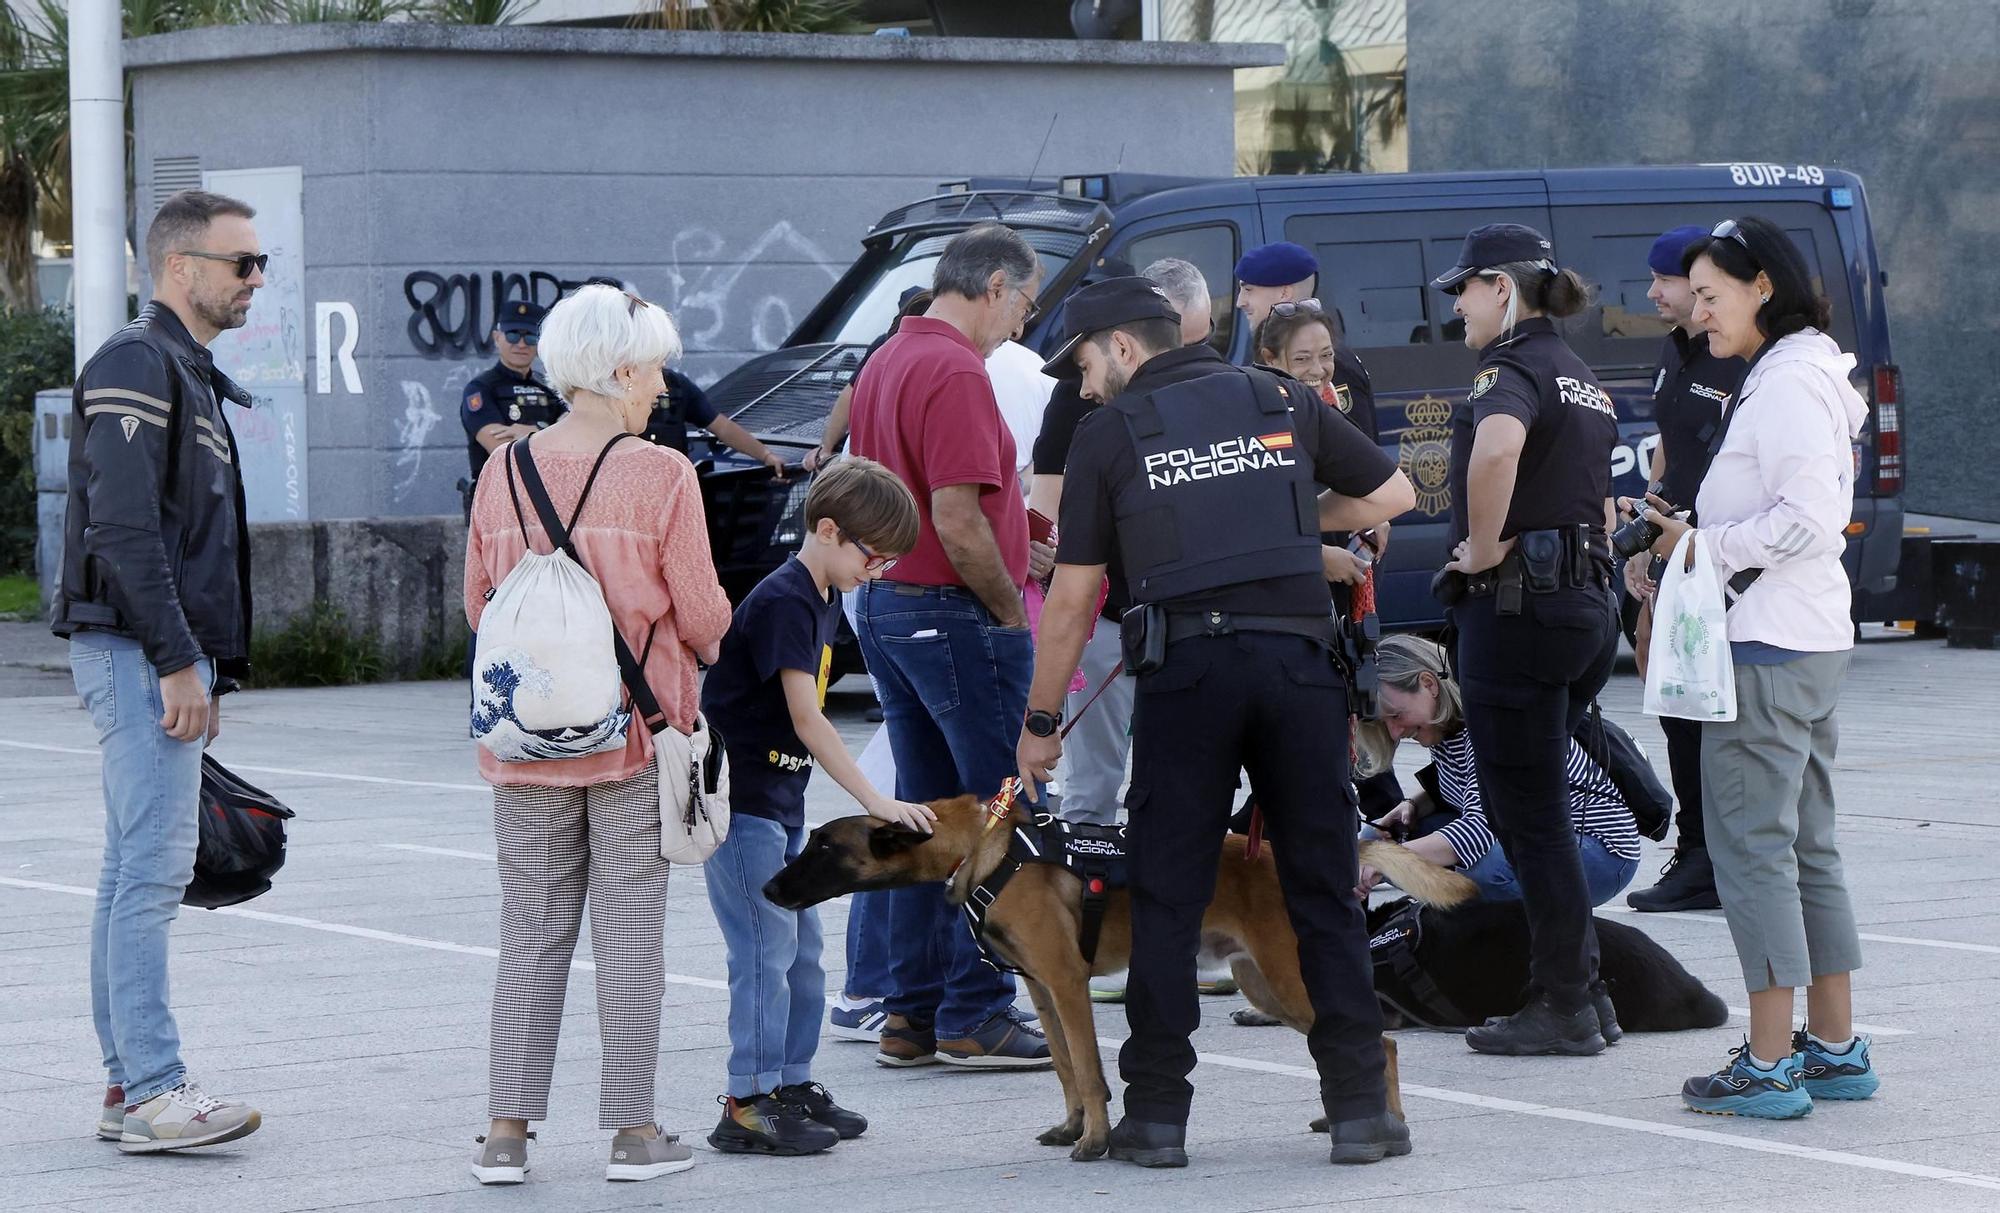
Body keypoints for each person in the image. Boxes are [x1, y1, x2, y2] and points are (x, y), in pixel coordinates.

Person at [1017, 276, 1417, 1168]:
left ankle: (1156, 1119)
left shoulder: (1109, 434)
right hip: (1297, 671)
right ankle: (1360, 1111)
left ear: (1122, 347)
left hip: (1188, 675)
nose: (1082, 388)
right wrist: (1284, 525)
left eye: (1083, 364)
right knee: (1322, 887)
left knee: (1166, 894)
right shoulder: (1280, 397)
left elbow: (1074, 597)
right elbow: (1393, 494)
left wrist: (1043, 720)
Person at [463, 284, 733, 1185]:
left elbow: (478, 605)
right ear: (619, 369)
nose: (662, 384)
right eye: (654, 364)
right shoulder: (662, 473)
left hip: (524, 743)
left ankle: (505, 1134)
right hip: (634, 735)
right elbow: (701, 615)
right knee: (628, 937)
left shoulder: (501, 472)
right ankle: (633, 1132)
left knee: (530, 934)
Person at [1634, 216, 1876, 1118]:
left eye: (1710, 295)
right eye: (1692, 296)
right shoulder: (1793, 374)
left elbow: (1810, 520)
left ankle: (1772, 1062)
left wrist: (1703, 542)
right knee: (1805, 847)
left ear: (1762, 285)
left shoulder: (1787, 385)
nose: (1698, 316)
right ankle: (1835, 1047)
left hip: (1771, 649)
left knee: (1753, 853)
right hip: (1796, 642)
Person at [53, 189, 265, 1153]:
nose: (255, 279)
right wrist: (181, 661)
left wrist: (202, 663)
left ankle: (123, 1084)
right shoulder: (142, 360)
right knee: (150, 872)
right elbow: (125, 529)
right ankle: (151, 1088)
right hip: (140, 654)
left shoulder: (185, 368)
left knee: (128, 869)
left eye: (260, 264)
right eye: (241, 263)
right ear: (181, 268)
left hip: (152, 654)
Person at [846, 223, 1051, 1071]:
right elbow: (958, 515)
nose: (1024, 324)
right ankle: (976, 1007)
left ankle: (910, 1012)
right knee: (996, 811)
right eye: (1027, 303)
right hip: (955, 612)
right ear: (996, 285)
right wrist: (1008, 608)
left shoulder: (888, 357)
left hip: (892, 605)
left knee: (920, 815)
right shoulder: (957, 368)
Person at [699, 458, 933, 1155]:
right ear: (828, 529)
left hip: (777, 801)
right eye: (874, 554)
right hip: (741, 806)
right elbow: (808, 717)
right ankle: (748, 1100)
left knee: (802, 949)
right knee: (766, 949)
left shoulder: (823, 593)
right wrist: (876, 800)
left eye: (890, 559)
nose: (880, 570)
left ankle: (790, 1081)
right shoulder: (785, 600)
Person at [1432, 223, 1621, 1057]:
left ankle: (1567, 1002)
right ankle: (1589, 989)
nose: (1457, 308)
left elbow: (1498, 451)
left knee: (1527, 814)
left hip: (1519, 610)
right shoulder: (1580, 374)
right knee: (1537, 805)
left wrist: (1479, 545)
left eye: (1463, 290)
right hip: (1581, 605)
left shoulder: (1507, 367)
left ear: (1501, 289)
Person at [1029, 257, 1235, 1005]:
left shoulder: (1214, 394)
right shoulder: (1078, 404)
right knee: (1093, 785)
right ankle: (1087, 933)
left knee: (1180, 785)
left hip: (1179, 621)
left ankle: (1188, 936)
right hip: (1111, 620)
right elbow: (1051, 523)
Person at [1622, 225, 1746, 915]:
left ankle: (1715, 858)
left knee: (1710, 712)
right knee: (1676, 706)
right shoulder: (1677, 354)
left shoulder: (1741, 363)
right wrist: (1646, 536)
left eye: (1664, 280)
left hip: (1721, 559)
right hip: (1677, 550)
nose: (1655, 293)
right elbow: (1670, 452)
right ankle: (1698, 853)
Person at [1356, 635, 1641, 905]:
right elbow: (1472, 786)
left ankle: (1504, 929)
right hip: (1533, 836)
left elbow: (1478, 831)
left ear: (1429, 684)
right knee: (1377, 838)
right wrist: (1412, 806)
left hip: (1601, 851)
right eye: (1385, 722)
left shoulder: (1489, 725)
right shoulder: (1444, 727)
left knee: (1482, 868)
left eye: (1396, 715)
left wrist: (1390, 860)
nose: (1394, 732)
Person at [460, 300, 564, 484]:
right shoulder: (480, 388)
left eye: (530, 337)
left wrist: (535, 432)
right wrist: (553, 434)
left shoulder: (552, 386)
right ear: (497, 337)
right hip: (498, 494)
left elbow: (577, 436)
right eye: (513, 335)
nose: (522, 344)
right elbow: (504, 452)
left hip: (550, 493)